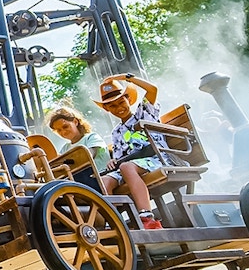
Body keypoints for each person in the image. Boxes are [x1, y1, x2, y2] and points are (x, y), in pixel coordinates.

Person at [95, 75, 164, 230]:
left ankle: (147, 218)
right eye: (112, 106)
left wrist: (125, 77)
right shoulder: (116, 132)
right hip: (130, 166)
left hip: (156, 158)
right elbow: (121, 160)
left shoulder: (143, 112)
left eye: (121, 102)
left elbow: (152, 89)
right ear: (107, 109)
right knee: (104, 180)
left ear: (128, 99)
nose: (119, 107)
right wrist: (113, 162)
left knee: (126, 167)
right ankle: (114, 223)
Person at [46, 106, 111, 169]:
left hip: (102, 174)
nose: (63, 132)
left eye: (65, 126)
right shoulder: (65, 148)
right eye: (59, 130)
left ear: (75, 122)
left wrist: (63, 161)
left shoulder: (91, 137)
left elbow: (88, 156)